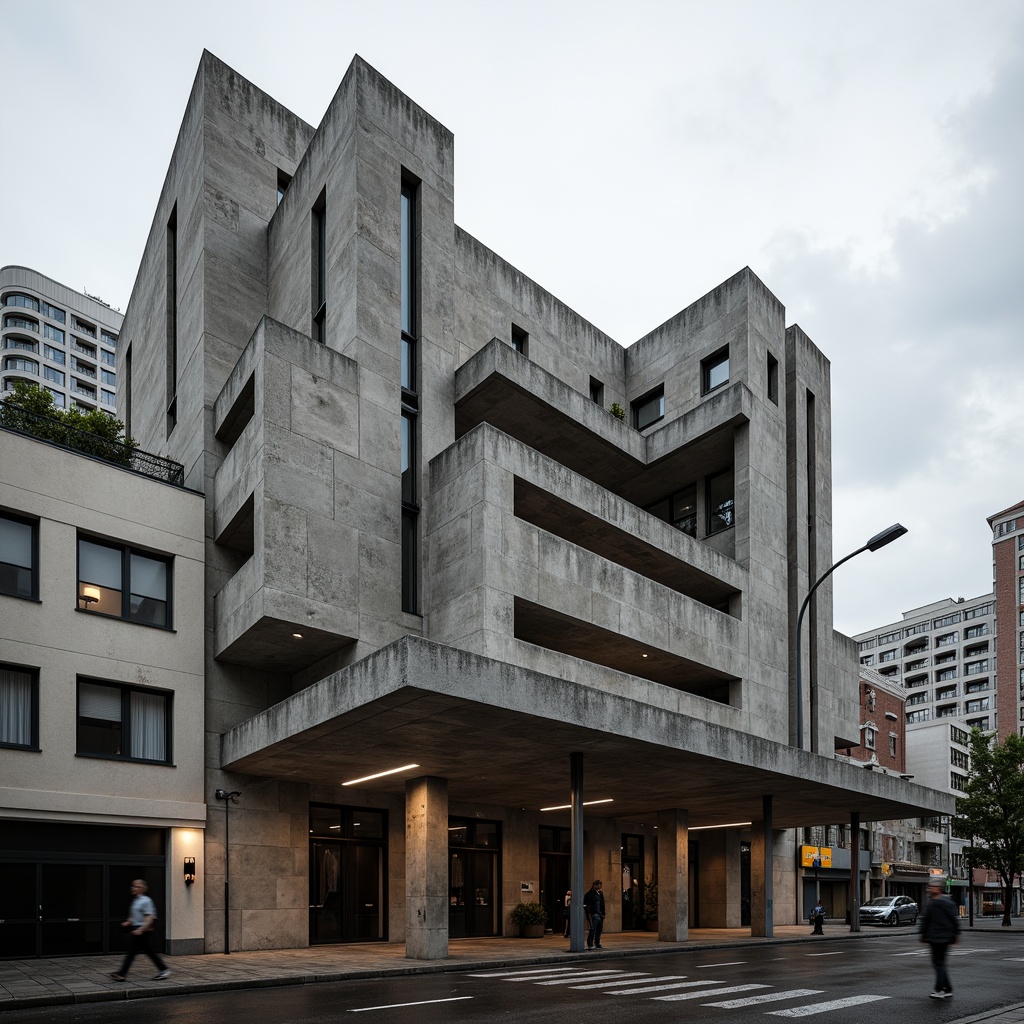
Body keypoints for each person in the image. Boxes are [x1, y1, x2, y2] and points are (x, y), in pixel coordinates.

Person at [109, 879, 171, 982]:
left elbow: (150, 917)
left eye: (136, 886)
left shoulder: (146, 901)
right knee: (147, 951)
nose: (133, 888)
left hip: (143, 931)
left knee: (133, 952)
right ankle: (164, 970)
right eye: (132, 886)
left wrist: (141, 930)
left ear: (142, 888)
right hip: (137, 929)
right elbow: (134, 916)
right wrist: (128, 922)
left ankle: (122, 973)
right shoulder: (136, 900)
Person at [919, 878, 959, 999]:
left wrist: (923, 934)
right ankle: (947, 988)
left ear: (938, 889)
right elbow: (954, 920)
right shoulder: (948, 902)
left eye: (932, 887)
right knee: (941, 963)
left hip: (936, 937)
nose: (930, 889)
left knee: (938, 963)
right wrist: (956, 934)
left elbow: (925, 921)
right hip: (945, 937)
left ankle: (940, 989)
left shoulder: (932, 904)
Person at [583, 879, 605, 949]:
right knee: (592, 929)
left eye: (600, 885)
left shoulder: (600, 894)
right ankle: (590, 943)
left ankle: (597, 943)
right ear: (594, 885)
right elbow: (587, 905)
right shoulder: (590, 894)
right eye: (598, 885)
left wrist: (603, 913)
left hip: (599, 914)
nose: (599, 886)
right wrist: (589, 913)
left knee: (599, 930)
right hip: (594, 914)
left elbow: (602, 904)